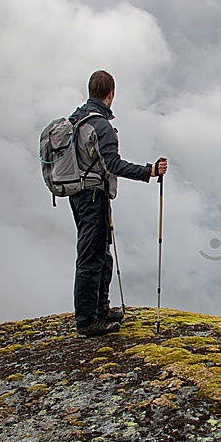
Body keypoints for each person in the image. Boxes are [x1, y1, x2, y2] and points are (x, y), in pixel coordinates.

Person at [69, 70, 167, 337]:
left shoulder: (76, 119)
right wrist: (150, 171)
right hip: (93, 196)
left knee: (100, 252)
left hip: (79, 194)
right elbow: (113, 164)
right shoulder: (100, 125)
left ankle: (101, 310)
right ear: (111, 94)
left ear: (91, 91)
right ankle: (88, 321)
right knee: (91, 256)